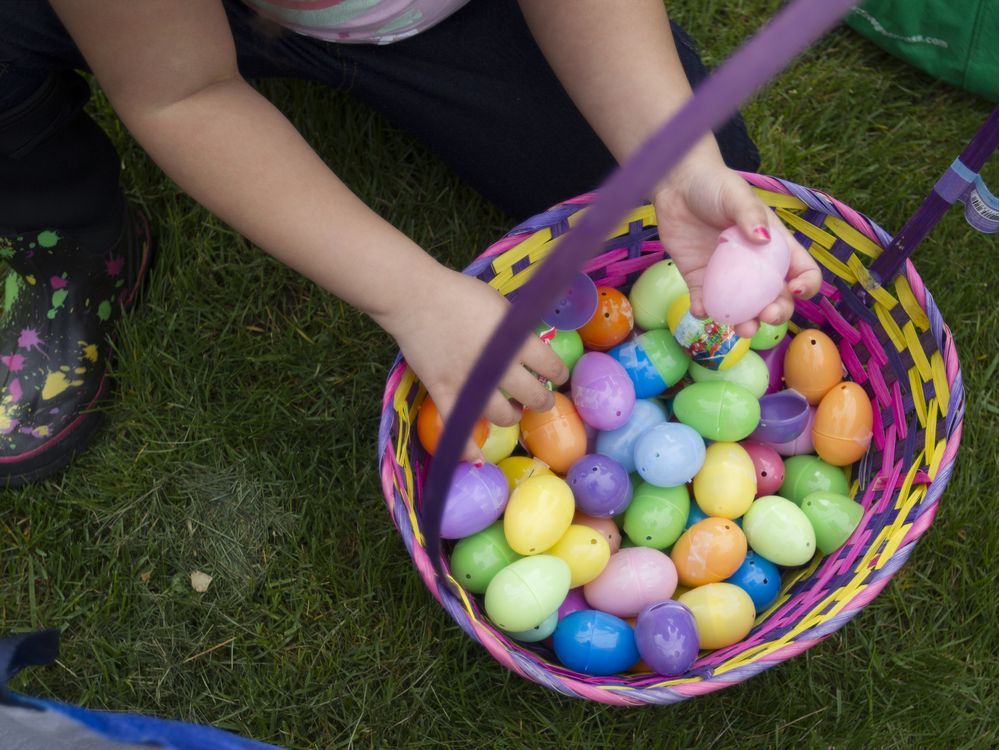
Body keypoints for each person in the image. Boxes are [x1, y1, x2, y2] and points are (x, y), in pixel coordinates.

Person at [0, 0, 821, 485]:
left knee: (664, 170)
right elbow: (181, 92)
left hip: (451, 17)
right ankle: (63, 227)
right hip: (184, 28)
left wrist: (673, 163)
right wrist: (414, 295)